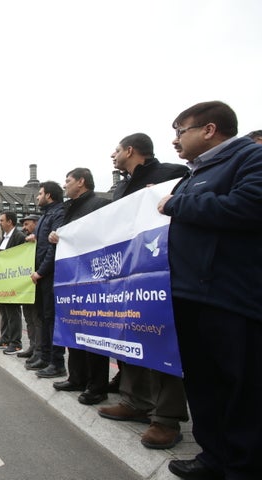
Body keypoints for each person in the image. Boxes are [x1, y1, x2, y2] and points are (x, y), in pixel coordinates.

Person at [157, 101, 262, 480]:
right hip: (188, 296)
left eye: (180, 131)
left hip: (229, 296)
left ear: (209, 130)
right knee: (203, 384)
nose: (175, 140)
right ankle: (213, 457)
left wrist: (178, 204)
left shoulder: (251, 159)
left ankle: (243, 466)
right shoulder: (191, 174)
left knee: (240, 390)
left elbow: (249, 206)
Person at [98, 132, 189, 450]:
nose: (113, 154)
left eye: (117, 149)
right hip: (125, 273)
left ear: (131, 150)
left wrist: (161, 198)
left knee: (161, 341)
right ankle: (134, 402)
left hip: (159, 271)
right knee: (129, 337)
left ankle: (166, 419)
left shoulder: (172, 174)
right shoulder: (121, 187)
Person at [48, 168, 111, 405]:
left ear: (81, 182)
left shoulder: (100, 204)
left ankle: (97, 386)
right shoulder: (67, 209)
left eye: (68, 181)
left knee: (94, 330)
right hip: (70, 276)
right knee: (73, 326)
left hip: (92, 276)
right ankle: (76, 377)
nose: (64, 185)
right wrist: (56, 236)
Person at [25, 182, 65, 373]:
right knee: (43, 316)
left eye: (40, 193)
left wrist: (41, 271)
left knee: (51, 318)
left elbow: (53, 247)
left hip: (50, 275)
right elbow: (42, 243)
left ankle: (57, 362)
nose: (37, 197)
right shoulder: (44, 217)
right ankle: (45, 356)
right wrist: (35, 237)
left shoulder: (59, 213)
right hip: (41, 276)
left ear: (48, 195)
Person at [0, 211, 26, 355]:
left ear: (10, 222)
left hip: (13, 281)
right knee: (4, 312)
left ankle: (16, 343)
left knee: (13, 312)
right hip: (3, 281)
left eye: (1, 220)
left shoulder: (19, 236)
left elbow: (21, 255)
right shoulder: (3, 239)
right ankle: (5, 339)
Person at [17, 215, 40, 358]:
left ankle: (40, 351)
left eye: (27, 224)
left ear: (37, 223)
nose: (24, 228)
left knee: (38, 320)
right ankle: (32, 346)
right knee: (29, 319)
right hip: (25, 286)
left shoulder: (42, 239)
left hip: (38, 284)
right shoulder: (25, 242)